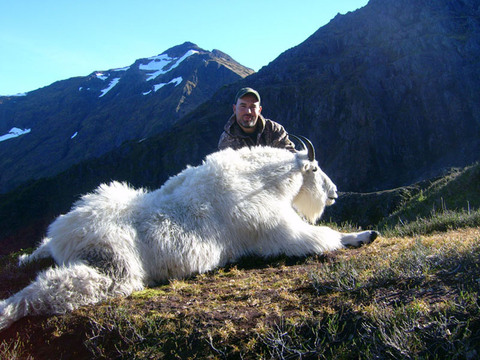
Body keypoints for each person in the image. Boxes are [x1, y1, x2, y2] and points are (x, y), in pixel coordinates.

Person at [218, 87, 295, 151]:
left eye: (253, 107)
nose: (248, 111)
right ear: (234, 109)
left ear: (259, 110)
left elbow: (290, 157)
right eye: (243, 106)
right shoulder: (226, 139)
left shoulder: (274, 129)